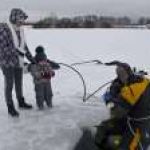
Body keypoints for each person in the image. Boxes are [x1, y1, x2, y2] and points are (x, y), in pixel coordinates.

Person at [74, 61, 150, 150]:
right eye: (118, 74)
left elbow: (117, 110)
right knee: (105, 128)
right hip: (129, 118)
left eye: (122, 74)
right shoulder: (139, 81)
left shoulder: (134, 88)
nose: (120, 77)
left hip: (139, 125)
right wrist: (115, 90)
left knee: (128, 146)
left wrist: (112, 98)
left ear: (129, 72)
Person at [0, 8, 34, 117]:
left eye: (23, 19)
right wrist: (17, 52)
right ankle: (10, 106)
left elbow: (24, 46)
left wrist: (31, 58)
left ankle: (21, 102)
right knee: (9, 84)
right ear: (14, 18)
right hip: (7, 62)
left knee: (19, 83)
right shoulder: (4, 29)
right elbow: (2, 48)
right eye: (20, 19)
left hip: (18, 61)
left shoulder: (20, 29)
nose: (22, 21)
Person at [28, 46, 60, 110]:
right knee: (45, 94)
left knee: (43, 95)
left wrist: (51, 73)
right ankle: (45, 105)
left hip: (42, 82)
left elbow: (51, 69)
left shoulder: (37, 62)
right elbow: (57, 66)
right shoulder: (42, 62)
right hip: (43, 82)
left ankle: (43, 105)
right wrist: (45, 74)